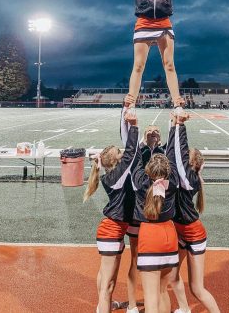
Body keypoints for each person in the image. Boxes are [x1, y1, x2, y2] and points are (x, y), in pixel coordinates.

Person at [84, 111, 139, 313]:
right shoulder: (116, 176)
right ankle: (103, 306)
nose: (123, 153)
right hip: (111, 231)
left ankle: (101, 307)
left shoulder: (112, 175)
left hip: (112, 230)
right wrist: (133, 125)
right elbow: (132, 153)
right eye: (119, 152)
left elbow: (129, 156)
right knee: (108, 284)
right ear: (115, 162)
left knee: (105, 277)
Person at [170, 111, 221, 313]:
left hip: (194, 234)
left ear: (191, 165)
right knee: (172, 276)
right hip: (182, 233)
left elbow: (179, 156)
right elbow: (175, 154)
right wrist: (173, 123)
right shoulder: (189, 177)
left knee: (197, 288)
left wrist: (180, 126)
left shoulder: (188, 179)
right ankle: (184, 309)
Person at [131, 119, 183, 313]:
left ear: (147, 170)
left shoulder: (140, 183)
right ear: (169, 170)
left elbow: (134, 157)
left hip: (150, 237)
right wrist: (177, 126)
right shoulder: (174, 182)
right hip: (169, 236)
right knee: (163, 292)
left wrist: (133, 130)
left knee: (151, 296)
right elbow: (175, 155)